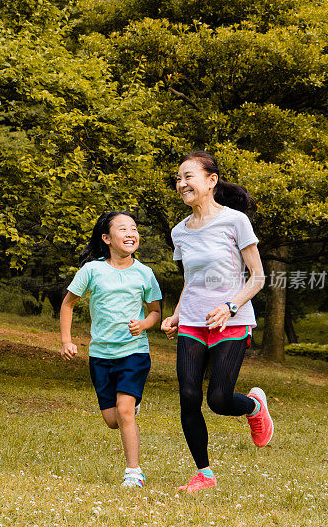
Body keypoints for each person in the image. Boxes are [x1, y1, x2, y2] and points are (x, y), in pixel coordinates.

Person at [161, 151, 273, 494]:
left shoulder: (235, 221)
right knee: (188, 394)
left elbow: (257, 278)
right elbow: (191, 281)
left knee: (220, 400)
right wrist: (177, 314)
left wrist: (230, 306)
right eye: (178, 179)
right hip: (192, 322)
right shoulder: (179, 232)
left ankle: (254, 406)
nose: (182, 184)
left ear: (211, 180)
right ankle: (203, 474)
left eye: (188, 176)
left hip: (233, 323)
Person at [60, 211, 162, 488]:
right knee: (111, 419)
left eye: (134, 228)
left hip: (134, 352)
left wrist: (143, 324)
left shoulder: (145, 273)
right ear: (106, 238)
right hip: (101, 355)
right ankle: (129, 406)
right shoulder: (92, 270)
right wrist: (66, 340)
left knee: (124, 411)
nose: (131, 233)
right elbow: (68, 304)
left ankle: (133, 472)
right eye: (122, 229)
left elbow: (155, 312)